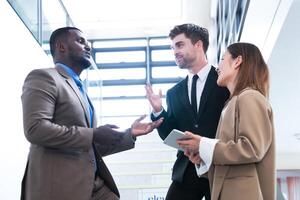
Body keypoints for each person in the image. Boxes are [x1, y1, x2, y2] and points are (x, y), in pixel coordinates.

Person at [20, 27, 163, 200]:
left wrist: (129, 134)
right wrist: (94, 134)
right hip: (60, 187)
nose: (88, 47)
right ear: (61, 47)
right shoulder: (44, 77)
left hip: (93, 185)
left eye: (88, 43)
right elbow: (36, 129)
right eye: (80, 41)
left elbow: (87, 146)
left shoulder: (81, 90)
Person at [177, 42, 275, 200]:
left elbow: (252, 149)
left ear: (237, 61)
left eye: (222, 59)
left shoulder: (250, 97)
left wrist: (203, 145)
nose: (217, 67)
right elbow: (233, 164)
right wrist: (204, 158)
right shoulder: (231, 104)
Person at [145, 23, 229, 200]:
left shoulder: (224, 80)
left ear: (198, 45)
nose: (175, 51)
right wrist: (159, 110)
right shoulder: (173, 93)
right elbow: (170, 133)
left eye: (180, 45)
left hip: (221, 166)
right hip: (187, 169)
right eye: (172, 47)